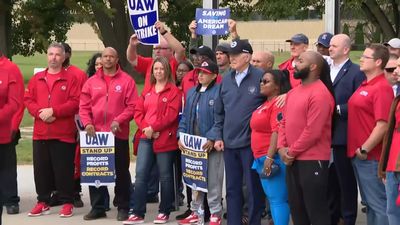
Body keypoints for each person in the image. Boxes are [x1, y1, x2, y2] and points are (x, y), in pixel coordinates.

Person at [80, 47, 138, 221]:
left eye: (111, 57)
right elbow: (83, 106)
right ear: (101, 59)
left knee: (121, 171)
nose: (108, 59)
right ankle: (98, 207)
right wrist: (88, 123)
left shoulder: (127, 81)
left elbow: (133, 106)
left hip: (117, 134)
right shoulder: (91, 82)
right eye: (105, 56)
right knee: (95, 171)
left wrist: (118, 120)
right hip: (96, 136)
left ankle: (123, 206)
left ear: (117, 59)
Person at [278, 51, 335, 225]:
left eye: (300, 61)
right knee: (297, 210)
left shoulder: (320, 93)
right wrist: (281, 148)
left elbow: (313, 131)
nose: (295, 64)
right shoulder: (294, 93)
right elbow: (283, 122)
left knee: (316, 212)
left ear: (313, 67)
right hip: (291, 159)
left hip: (312, 160)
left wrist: (291, 151)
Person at [24, 43, 80, 218]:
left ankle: (67, 202)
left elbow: (75, 102)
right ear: (47, 56)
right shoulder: (37, 78)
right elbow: (28, 99)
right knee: (41, 170)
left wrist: (54, 111)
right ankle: (42, 201)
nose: (53, 57)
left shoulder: (71, 79)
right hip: (40, 132)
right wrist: (40, 114)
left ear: (64, 57)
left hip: (63, 133)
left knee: (63, 170)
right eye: (51, 54)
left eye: (57, 54)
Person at [124, 56, 182, 224]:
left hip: (165, 139)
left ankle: (164, 211)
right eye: (156, 69)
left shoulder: (173, 92)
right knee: (141, 174)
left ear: (167, 71)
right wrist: (145, 129)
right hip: (145, 137)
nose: (158, 72)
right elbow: (138, 112)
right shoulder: (148, 90)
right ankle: (137, 212)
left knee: (165, 176)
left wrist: (154, 128)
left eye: (162, 69)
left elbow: (170, 115)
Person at [214, 39, 265, 225]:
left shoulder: (261, 76)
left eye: (235, 55)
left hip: (251, 144)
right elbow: (219, 112)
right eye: (230, 55)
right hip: (229, 143)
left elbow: (276, 100)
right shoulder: (226, 78)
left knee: (253, 189)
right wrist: (218, 136)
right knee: (232, 188)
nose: (231, 58)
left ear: (247, 57)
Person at [348, 44, 393, 225]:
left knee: (378, 205)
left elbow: (383, 125)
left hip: (371, 157)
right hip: (360, 156)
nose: (361, 59)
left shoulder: (382, 87)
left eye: (365, 57)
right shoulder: (366, 83)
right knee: (371, 205)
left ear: (378, 62)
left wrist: (365, 149)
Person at [177, 60, 224, 225]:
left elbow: (220, 119)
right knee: (195, 179)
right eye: (199, 72)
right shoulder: (191, 93)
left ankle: (215, 213)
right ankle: (195, 211)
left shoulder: (218, 92)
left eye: (204, 72)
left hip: (209, 145)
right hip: (193, 145)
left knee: (213, 181)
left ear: (214, 75)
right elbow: (184, 117)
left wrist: (212, 137)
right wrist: (180, 136)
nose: (200, 75)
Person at [329, 34, 366, 225]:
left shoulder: (356, 72)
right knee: (330, 184)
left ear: (346, 49)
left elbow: (359, 103)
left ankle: (348, 218)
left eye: (334, 45)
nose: (330, 48)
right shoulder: (324, 70)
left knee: (346, 183)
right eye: (330, 45)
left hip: (344, 137)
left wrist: (336, 109)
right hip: (323, 137)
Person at [250, 70, 291, 225]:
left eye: (266, 81)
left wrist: (269, 156)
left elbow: (277, 130)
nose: (261, 83)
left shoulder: (278, 103)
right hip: (260, 156)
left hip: (271, 157)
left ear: (277, 87)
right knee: (273, 198)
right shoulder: (266, 103)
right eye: (261, 80)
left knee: (278, 199)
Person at [127, 21, 185, 94]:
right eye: (155, 49)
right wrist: (132, 45)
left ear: (171, 50)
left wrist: (164, 32)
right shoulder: (150, 62)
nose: (157, 51)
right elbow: (132, 59)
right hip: (146, 102)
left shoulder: (174, 62)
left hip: (166, 101)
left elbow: (180, 50)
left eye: (161, 48)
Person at [0, 49, 24, 223]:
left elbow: (15, 102)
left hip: (3, 131)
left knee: (6, 167)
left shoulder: (10, 69)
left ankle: (10, 200)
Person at [378, 56, 400, 225]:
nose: (396, 72)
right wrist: (385, 165)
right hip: (393, 164)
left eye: (399, 67)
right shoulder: (397, 96)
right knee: (392, 211)